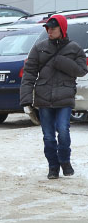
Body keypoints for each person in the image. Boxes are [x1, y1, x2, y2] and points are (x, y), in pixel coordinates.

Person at [20, 14, 88, 179]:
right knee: (48, 137)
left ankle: (65, 161)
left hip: (64, 97)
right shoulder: (39, 47)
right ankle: (53, 167)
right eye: (47, 28)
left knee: (63, 131)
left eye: (53, 28)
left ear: (62, 29)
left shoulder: (74, 48)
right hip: (44, 99)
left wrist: (61, 61)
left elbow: (81, 70)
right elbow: (29, 74)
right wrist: (26, 98)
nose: (49, 31)